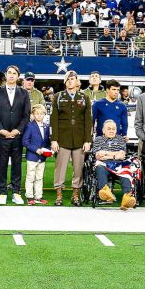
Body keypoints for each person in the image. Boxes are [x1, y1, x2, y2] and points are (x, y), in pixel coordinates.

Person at [50, 70, 93, 206]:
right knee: (60, 168)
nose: (70, 81)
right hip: (62, 139)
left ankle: (75, 195)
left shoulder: (84, 97)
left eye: (73, 79)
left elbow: (88, 121)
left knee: (78, 169)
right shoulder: (58, 97)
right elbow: (54, 120)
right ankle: (59, 195)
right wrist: (54, 140)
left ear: (77, 81)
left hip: (80, 140)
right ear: (65, 81)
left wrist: (88, 140)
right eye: (68, 79)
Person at [0, 64, 31, 205]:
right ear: (6, 75)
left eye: (14, 73)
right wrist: (1, 130)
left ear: (18, 76)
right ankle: (2, 192)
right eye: (9, 72)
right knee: (2, 164)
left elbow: (26, 115)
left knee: (17, 165)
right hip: (2, 135)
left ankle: (15, 192)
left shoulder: (24, 93)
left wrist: (17, 130)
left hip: (17, 136)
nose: (12, 75)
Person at [91, 120, 138, 210]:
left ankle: (127, 197)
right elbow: (98, 155)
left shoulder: (120, 139)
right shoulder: (98, 139)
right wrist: (114, 155)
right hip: (103, 164)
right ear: (103, 130)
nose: (111, 131)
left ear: (116, 130)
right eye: (109, 129)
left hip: (118, 164)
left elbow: (122, 155)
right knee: (100, 167)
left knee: (126, 171)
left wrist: (106, 153)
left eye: (113, 129)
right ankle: (106, 192)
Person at [22, 103, 53, 205]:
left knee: (39, 177)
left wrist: (49, 150)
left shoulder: (46, 126)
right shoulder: (30, 126)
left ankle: (38, 196)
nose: (39, 115)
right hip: (32, 156)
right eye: (37, 114)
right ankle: (29, 196)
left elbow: (47, 142)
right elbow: (25, 141)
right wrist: (36, 150)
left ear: (44, 115)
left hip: (42, 157)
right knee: (30, 176)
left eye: (41, 114)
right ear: (33, 115)